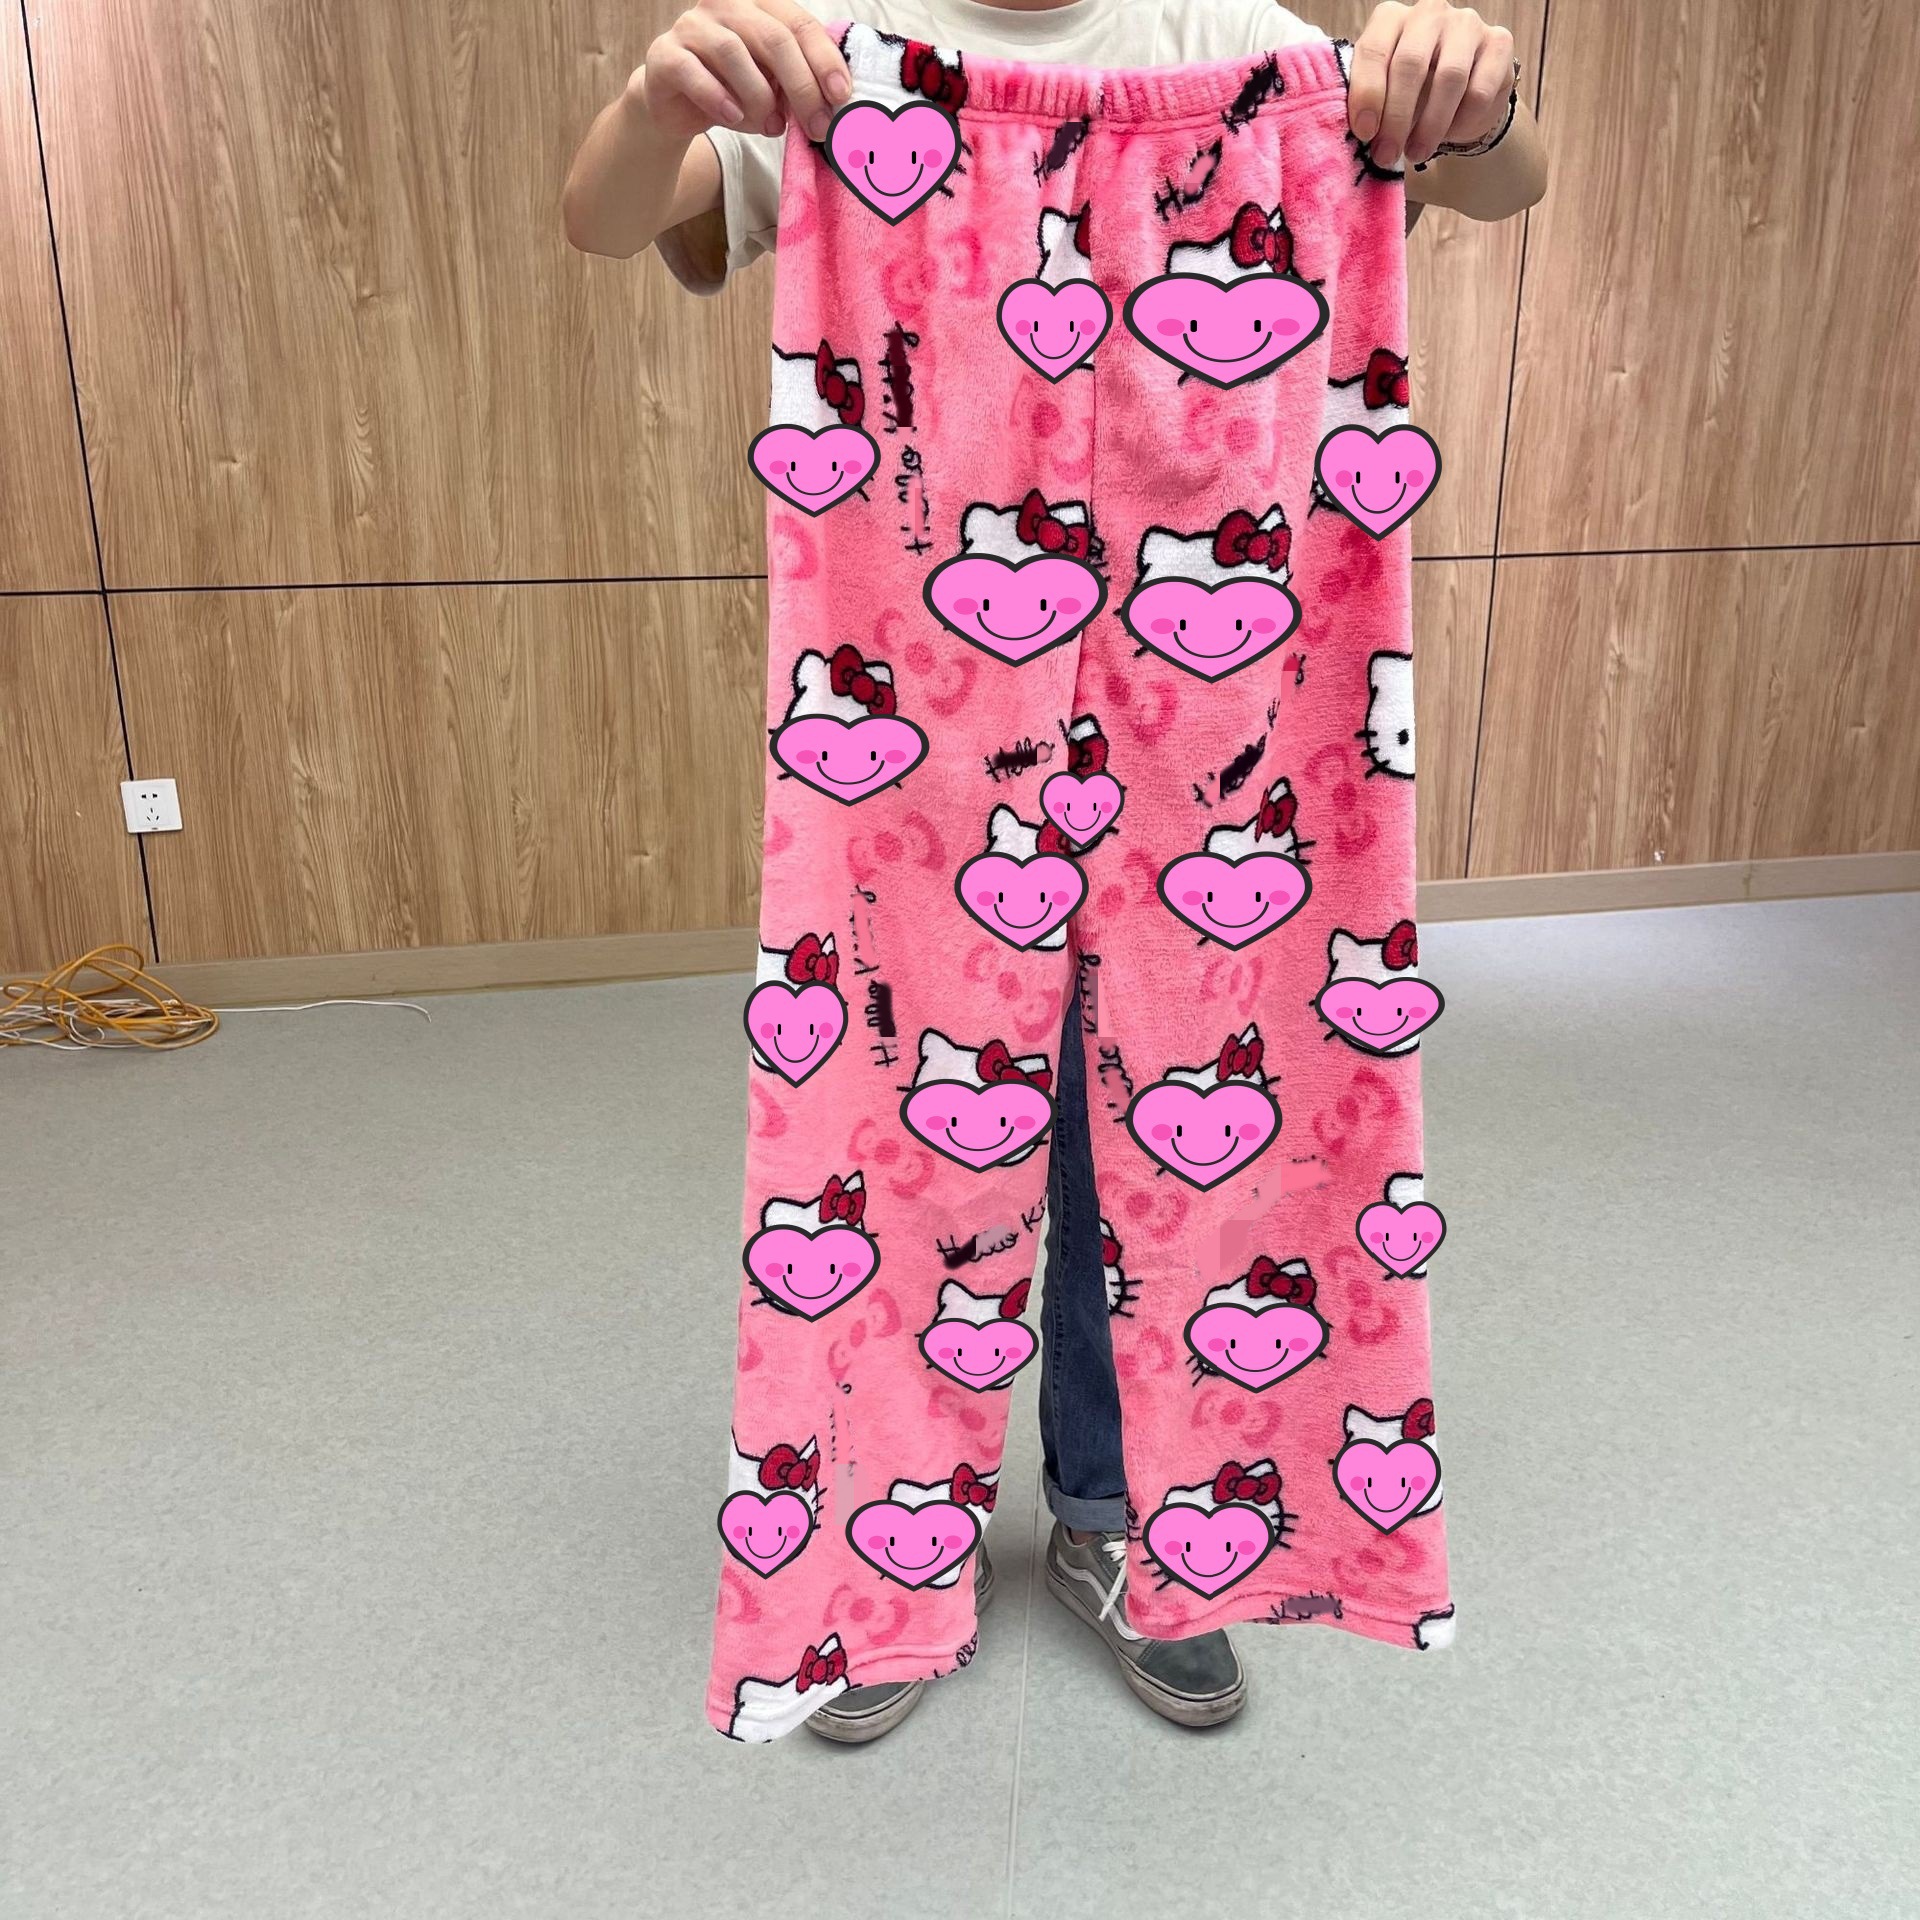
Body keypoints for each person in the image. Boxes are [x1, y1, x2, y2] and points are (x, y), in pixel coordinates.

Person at [566, 0, 1545, 1745]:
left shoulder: (1233, 37)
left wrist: (1471, 89)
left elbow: (1503, 175)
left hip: (1225, 628)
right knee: (893, 1091)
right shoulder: (845, 59)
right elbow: (607, 213)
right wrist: (657, 95)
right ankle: (887, 1555)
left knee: (1195, 1093)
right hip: (927, 626)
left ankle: (1139, 1524)